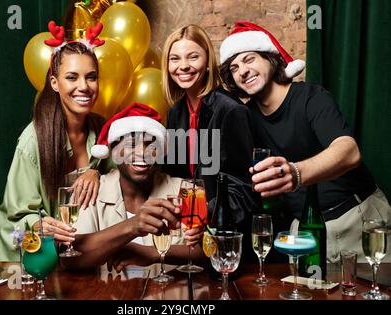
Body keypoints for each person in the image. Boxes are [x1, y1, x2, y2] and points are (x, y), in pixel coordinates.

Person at [219, 21, 391, 262]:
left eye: (249, 59)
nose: (243, 71)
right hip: (303, 234)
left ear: (270, 58)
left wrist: (295, 173)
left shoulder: (311, 96)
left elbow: (349, 152)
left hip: (358, 219)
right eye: (234, 67)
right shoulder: (246, 118)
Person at [0, 21, 112, 261]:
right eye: (72, 77)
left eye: (91, 77)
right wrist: (40, 225)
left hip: (69, 259)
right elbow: (18, 220)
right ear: (55, 83)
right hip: (21, 258)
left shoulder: (102, 130)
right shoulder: (32, 140)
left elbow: (127, 178)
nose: (83, 87)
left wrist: (97, 174)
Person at [59, 103, 204, 272]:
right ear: (113, 150)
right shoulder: (91, 191)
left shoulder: (185, 191)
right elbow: (69, 259)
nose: (142, 152)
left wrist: (153, 253)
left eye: (151, 145)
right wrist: (132, 226)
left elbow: (209, 253)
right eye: (130, 144)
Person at [161, 24, 261, 243]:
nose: (183, 66)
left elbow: (244, 190)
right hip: (187, 233)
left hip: (227, 236)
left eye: (193, 57)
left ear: (207, 62)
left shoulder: (231, 110)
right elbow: (176, 177)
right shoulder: (176, 113)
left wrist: (206, 216)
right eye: (175, 58)